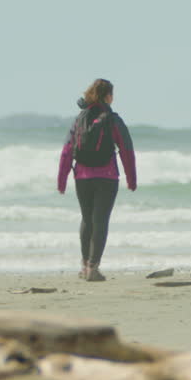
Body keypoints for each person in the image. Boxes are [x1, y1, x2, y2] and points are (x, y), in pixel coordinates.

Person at [57, 78, 137, 281]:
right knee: (100, 220)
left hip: (82, 177)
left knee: (87, 219)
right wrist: (131, 177)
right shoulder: (112, 119)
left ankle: (84, 266)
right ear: (108, 96)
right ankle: (93, 268)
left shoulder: (80, 118)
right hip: (107, 177)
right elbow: (126, 149)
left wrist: (62, 179)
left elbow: (67, 150)